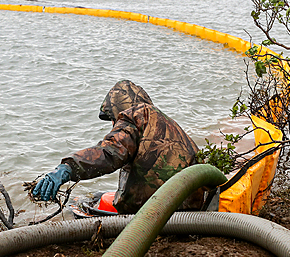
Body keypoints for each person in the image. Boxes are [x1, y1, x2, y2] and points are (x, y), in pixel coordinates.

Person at [33, 80, 204, 214]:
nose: (114, 126)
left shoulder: (136, 117)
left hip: (156, 217)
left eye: (113, 120)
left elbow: (108, 153)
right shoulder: (168, 124)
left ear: (120, 110)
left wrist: (68, 168)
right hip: (190, 210)